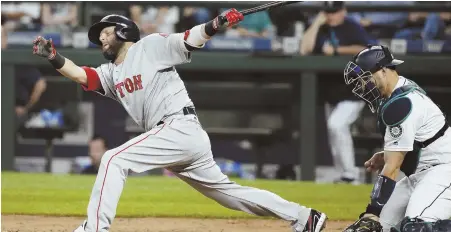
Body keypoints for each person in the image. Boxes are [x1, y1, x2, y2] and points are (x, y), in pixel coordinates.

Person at [32, 11, 327, 232]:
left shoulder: (148, 47)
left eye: (106, 32)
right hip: (175, 136)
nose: (101, 38)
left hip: (179, 127)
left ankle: (94, 228)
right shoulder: (112, 73)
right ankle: (305, 217)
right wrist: (54, 56)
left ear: (123, 31)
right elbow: (83, 75)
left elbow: (189, 39)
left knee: (112, 159)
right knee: (231, 195)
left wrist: (217, 24)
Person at [342, 45, 451, 232]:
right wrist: (387, 154)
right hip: (419, 175)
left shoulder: (402, 103)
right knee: (375, 229)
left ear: (384, 70)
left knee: (416, 227)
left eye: (366, 78)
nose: (362, 86)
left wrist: (372, 211)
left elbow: (392, 168)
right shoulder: (396, 93)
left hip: (443, 170)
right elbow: (421, 139)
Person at [301, 1, 376, 184]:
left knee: (336, 125)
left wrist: (337, 50)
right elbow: (305, 50)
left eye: (334, 12)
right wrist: (316, 23)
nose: (331, 16)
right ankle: (343, 175)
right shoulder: (321, 28)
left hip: (354, 89)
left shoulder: (351, 26)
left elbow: (366, 48)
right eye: (327, 12)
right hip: (331, 90)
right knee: (333, 132)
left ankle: (350, 174)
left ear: (343, 11)